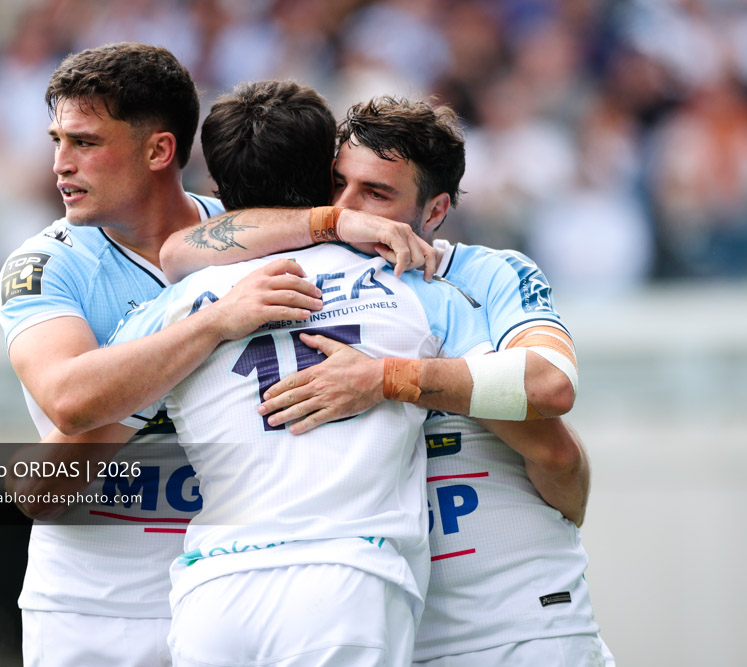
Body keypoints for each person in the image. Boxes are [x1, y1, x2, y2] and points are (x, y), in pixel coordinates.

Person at [0, 43, 429, 667]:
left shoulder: (233, 233)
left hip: (220, 582)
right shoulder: (46, 264)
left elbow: (273, 233)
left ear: (159, 151)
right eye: (56, 140)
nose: (60, 164)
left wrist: (336, 224)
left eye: (84, 142)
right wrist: (214, 325)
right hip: (95, 601)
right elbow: (69, 401)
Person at [161, 96, 614, 664]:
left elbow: (550, 394)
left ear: (435, 210)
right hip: (391, 620)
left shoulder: (484, 276)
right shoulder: (310, 262)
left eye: (377, 194)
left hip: (512, 620)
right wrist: (330, 221)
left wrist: (386, 378)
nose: (354, 208)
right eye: (339, 184)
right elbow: (180, 250)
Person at [93, 80, 501, 666]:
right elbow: (526, 396)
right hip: (346, 579)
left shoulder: (177, 304)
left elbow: (77, 423)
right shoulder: (414, 282)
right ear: (325, 177)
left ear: (216, 189)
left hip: (216, 590)